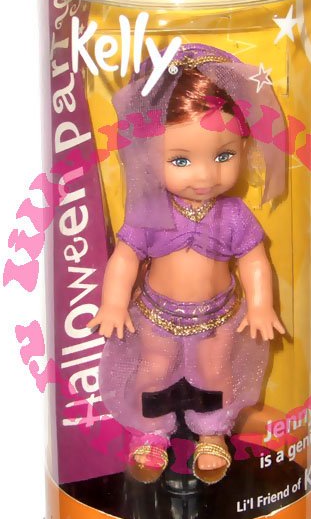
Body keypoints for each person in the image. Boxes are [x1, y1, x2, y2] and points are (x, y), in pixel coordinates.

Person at [88, 43, 286, 484]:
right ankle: (151, 431)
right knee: (154, 369)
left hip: (218, 314)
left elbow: (254, 259)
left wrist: (260, 305)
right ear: (147, 156)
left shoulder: (234, 214)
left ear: (243, 148)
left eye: (223, 156)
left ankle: (212, 431)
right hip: (157, 312)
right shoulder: (148, 210)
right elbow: (126, 256)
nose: (205, 175)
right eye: (180, 160)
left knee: (216, 371)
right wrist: (114, 303)